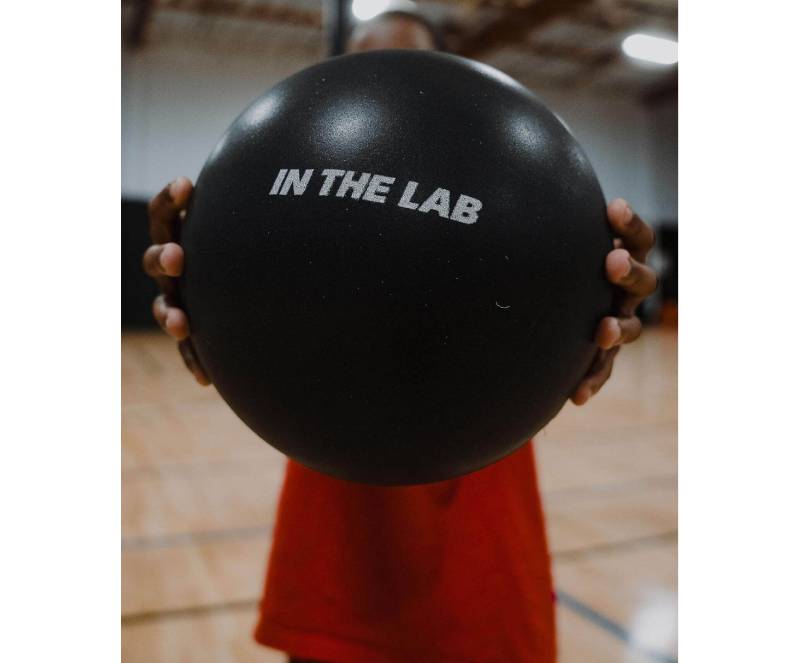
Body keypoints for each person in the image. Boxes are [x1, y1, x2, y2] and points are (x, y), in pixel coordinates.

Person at [143, 10, 658, 663]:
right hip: (331, 542)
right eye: (361, 64)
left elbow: (569, 307)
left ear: (445, 77)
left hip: (485, 547)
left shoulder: (508, 175)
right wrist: (208, 291)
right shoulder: (293, 188)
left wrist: (591, 318)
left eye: (403, 63)